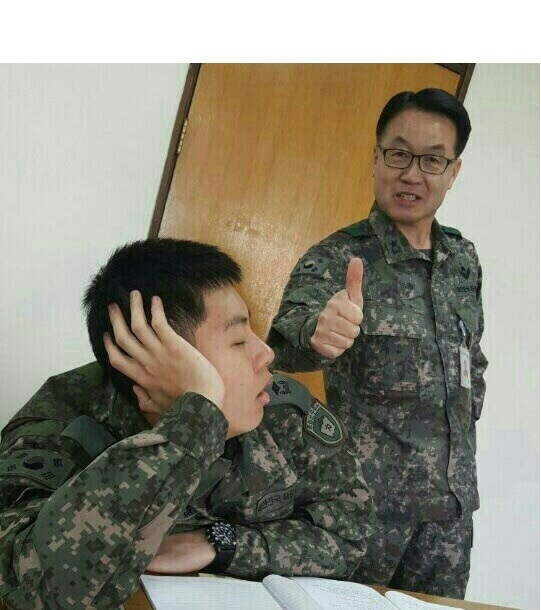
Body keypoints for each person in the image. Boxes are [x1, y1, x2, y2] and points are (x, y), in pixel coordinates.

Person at [0, 239, 373, 610]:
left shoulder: (279, 409)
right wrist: (194, 418)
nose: (266, 354)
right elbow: (32, 591)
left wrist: (221, 543)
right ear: (154, 362)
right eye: (238, 340)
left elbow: (350, 535)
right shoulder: (60, 421)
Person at [268, 88, 488, 599]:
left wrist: (468, 411)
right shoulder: (338, 257)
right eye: (398, 154)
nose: (412, 174)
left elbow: (470, 356)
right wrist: (317, 335)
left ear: (453, 172)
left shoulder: (463, 260)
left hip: (449, 516)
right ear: (376, 158)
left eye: (432, 160)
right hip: (365, 513)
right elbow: (281, 344)